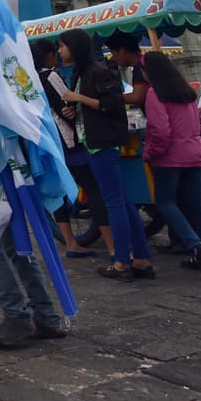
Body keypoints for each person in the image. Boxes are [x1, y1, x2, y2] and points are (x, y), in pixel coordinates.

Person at [57, 28, 154, 282]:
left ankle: (122, 262)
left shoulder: (98, 71)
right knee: (124, 201)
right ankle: (141, 259)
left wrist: (79, 98)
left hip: (102, 144)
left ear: (74, 47)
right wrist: (75, 110)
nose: (59, 51)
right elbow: (94, 106)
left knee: (114, 203)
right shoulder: (82, 73)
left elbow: (111, 105)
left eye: (63, 46)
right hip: (93, 141)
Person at [0, 143, 69, 348]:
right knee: (16, 243)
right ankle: (45, 316)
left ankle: (17, 316)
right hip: (8, 161)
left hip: (4, 162)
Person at [142, 52, 201, 279]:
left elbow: (160, 130)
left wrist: (150, 152)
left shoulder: (155, 94)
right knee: (199, 203)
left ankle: (196, 246)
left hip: (170, 156)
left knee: (165, 202)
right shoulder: (187, 93)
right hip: (195, 152)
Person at [30, 40, 107, 259]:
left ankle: (70, 241)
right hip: (68, 140)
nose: (58, 54)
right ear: (48, 55)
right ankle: (111, 242)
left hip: (47, 142)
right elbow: (67, 104)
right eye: (56, 51)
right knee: (93, 188)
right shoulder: (50, 76)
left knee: (58, 190)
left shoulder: (29, 80)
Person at [103, 32, 150, 106]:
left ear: (122, 51)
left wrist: (109, 99)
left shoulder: (140, 67)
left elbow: (137, 97)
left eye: (113, 53)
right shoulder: (145, 61)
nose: (114, 58)